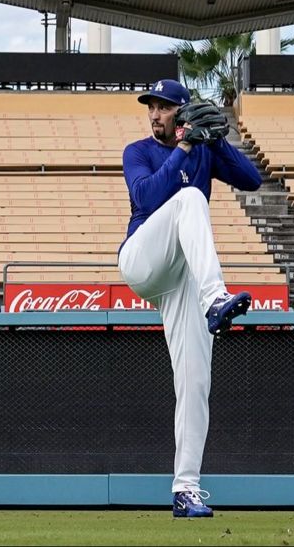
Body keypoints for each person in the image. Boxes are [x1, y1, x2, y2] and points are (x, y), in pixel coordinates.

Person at [118, 79, 262, 519]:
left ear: (181, 114)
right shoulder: (138, 150)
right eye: (152, 107)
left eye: (163, 108)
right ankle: (216, 298)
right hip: (144, 257)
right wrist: (183, 151)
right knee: (190, 199)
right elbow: (144, 196)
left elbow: (252, 180)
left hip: (182, 277)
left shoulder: (203, 148)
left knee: (196, 384)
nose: (154, 114)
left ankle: (187, 489)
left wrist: (218, 141)